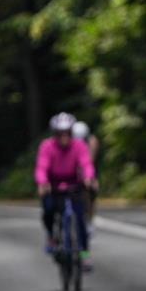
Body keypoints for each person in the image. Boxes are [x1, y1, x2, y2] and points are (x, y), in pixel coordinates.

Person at [34, 113, 95, 270]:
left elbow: (86, 163)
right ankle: (52, 237)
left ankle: (84, 255)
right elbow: (41, 167)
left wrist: (88, 178)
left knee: (80, 219)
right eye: (60, 134)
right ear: (54, 134)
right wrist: (43, 182)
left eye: (67, 133)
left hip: (74, 186)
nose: (64, 137)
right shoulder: (47, 146)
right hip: (54, 187)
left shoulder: (79, 146)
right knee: (48, 210)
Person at [71, 120, 100, 232]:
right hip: (72, 172)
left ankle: (89, 220)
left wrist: (90, 179)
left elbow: (89, 162)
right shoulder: (69, 142)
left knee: (91, 192)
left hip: (88, 170)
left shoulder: (92, 141)